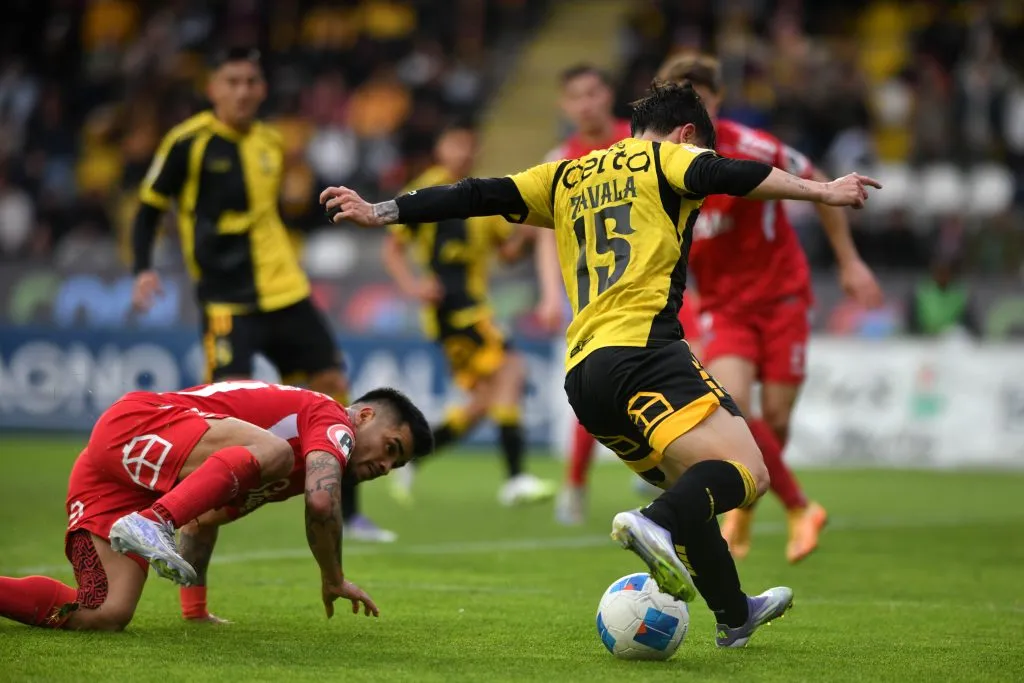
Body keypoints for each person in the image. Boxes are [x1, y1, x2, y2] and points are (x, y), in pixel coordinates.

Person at [321, 81, 881, 647]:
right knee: (749, 475)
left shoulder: (567, 174)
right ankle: (653, 521)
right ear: (687, 134)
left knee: (695, 485)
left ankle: (734, 612)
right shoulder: (668, 157)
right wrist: (823, 191)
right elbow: (735, 175)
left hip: (585, 375)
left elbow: (474, 194)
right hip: (646, 351)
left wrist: (381, 210)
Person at [129, 46, 394, 543]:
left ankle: (346, 511)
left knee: (330, 390)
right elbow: (148, 208)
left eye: (252, 81)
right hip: (229, 300)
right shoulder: (188, 143)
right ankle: (178, 514)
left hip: (287, 290)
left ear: (263, 88)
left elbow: (277, 213)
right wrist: (142, 268)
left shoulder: (272, 143)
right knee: (222, 415)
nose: (243, 91)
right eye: (232, 81)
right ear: (213, 89)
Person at [656, 54, 885, 563]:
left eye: (700, 97)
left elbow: (821, 182)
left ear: (716, 100)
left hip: (781, 297)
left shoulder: (752, 146)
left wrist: (849, 263)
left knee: (775, 423)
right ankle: (802, 507)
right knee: (735, 405)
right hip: (722, 308)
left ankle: (743, 513)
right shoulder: (662, 164)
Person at [0, 381, 433, 631]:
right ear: (365, 417)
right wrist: (333, 577)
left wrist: (196, 612)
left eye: (398, 463)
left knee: (106, 613)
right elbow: (323, 503)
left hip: (115, 478)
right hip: (139, 424)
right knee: (275, 451)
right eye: (392, 448)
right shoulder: (331, 420)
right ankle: (154, 523)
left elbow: (207, 515)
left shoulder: (291, 471)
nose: (386, 465)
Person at [381, 123, 554, 507]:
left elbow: (506, 254)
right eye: (455, 142)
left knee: (482, 402)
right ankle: (515, 477)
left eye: (468, 144)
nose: (462, 151)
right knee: (512, 369)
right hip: (454, 311)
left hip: (474, 307)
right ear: (440, 147)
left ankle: (410, 456)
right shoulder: (426, 191)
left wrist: (528, 236)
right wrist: (413, 287)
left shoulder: (478, 196)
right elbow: (392, 249)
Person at [524, 64, 640, 525]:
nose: (586, 103)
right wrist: (551, 296)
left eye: (594, 93)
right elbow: (545, 234)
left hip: (650, 282)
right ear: (564, 105)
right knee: (596, 391)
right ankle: (575, 482)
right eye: (577, 96)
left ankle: (660, 461)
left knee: (684, 366)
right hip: (593, 294)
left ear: (608, 94)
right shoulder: (561, 158)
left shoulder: (636, 143)